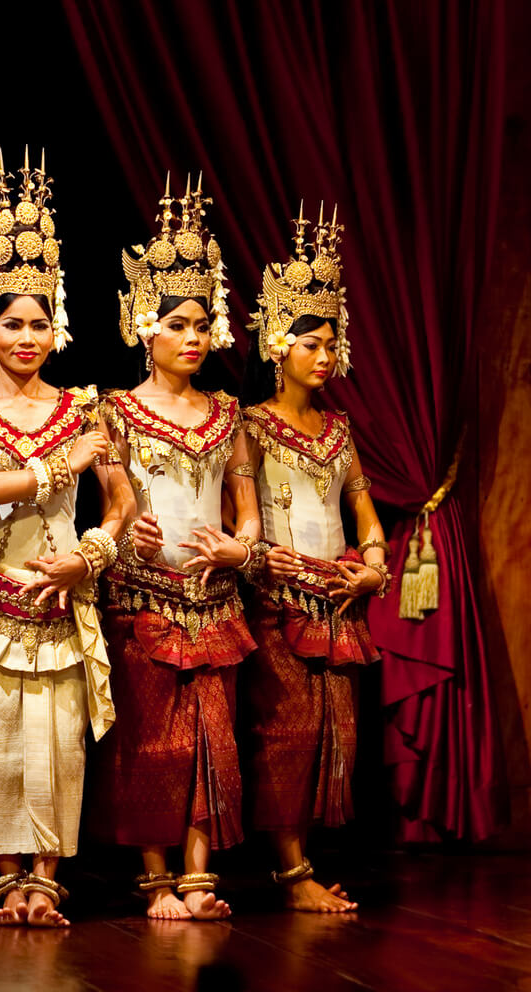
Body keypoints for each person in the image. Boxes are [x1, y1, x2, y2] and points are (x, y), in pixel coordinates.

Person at [0, 150, 135, 927]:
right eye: (13, 321)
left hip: (63, 591)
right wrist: (60, 466)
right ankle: (5, 877)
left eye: (41, 321)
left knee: (56, 745)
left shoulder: (89, 404)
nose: (27, 335)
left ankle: (45, 878)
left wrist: (90, 554)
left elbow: (119, 505)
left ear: (58, 328)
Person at [95, 175, 265, 920]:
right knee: (150, 744)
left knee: (212, 739)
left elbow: (249, 515)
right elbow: (113, 507)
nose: (193, 337)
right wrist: (129, 532)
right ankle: (154, 874)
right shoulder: (115, 411)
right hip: (142, 595)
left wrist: (239, 550)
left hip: (216, 599)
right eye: (176, 324)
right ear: (145, 327)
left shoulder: (228, 413)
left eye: (202, 324)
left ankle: (199, 874)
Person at [241, 203, 390, 912]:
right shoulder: (250, 425)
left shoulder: (339, 427)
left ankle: (307, 863)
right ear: (278, 345)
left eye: (332, 343)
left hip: (342, 600)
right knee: (288, 733)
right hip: (281, 598)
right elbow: (242, 518)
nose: (325, 356)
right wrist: (274, 566)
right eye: (312, 343)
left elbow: (362, 512)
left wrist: (378, 562)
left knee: (340, 733)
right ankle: (292, 874)